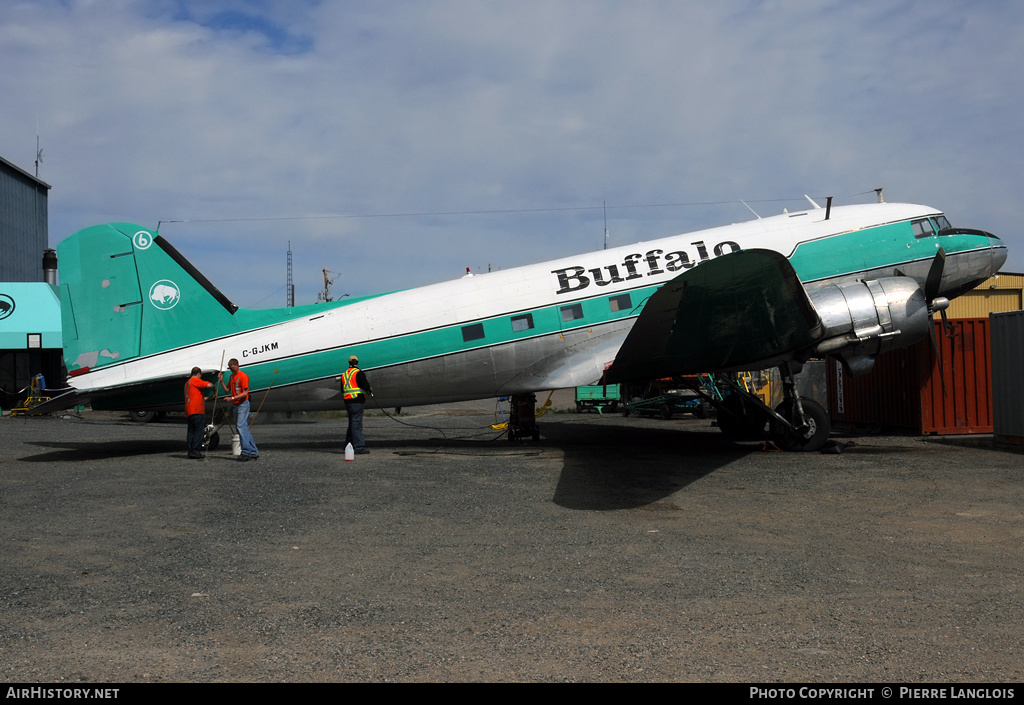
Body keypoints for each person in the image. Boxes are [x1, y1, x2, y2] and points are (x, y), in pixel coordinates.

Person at [219, 358, 259, 461]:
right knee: (242, 427)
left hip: (243, 404)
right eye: (230, 369)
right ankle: (253, 451)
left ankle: (246, 452)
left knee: (240, 426)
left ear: (237, 365)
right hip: (236, 405)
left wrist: (231, 398)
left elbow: (245, 393)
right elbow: (227, 390)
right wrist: (222, 381)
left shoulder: (243, 376)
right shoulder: (232, 376)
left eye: (232, 368)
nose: (231, 370)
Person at [342, 355, 373, 454]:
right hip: (357, 401)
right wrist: (369, 389)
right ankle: (358, 447)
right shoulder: (358, 373)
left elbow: (342, 389)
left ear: (349, 363)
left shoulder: (344, 375)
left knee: (352, 423)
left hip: (348, 402)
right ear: (357, 362)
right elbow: (364, 384)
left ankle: (348, 445)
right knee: (356, 424)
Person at [184, 367, 214, 459]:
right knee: (198, 432)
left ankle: (191, 450)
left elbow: (200, 398)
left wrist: (211, 398)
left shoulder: (187, 384)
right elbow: (208, 385)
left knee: (191, 432)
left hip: (189, 411)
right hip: (197, 411)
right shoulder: (195, 381)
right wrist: (213, 386)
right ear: (199, 374)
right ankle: (196, 451)